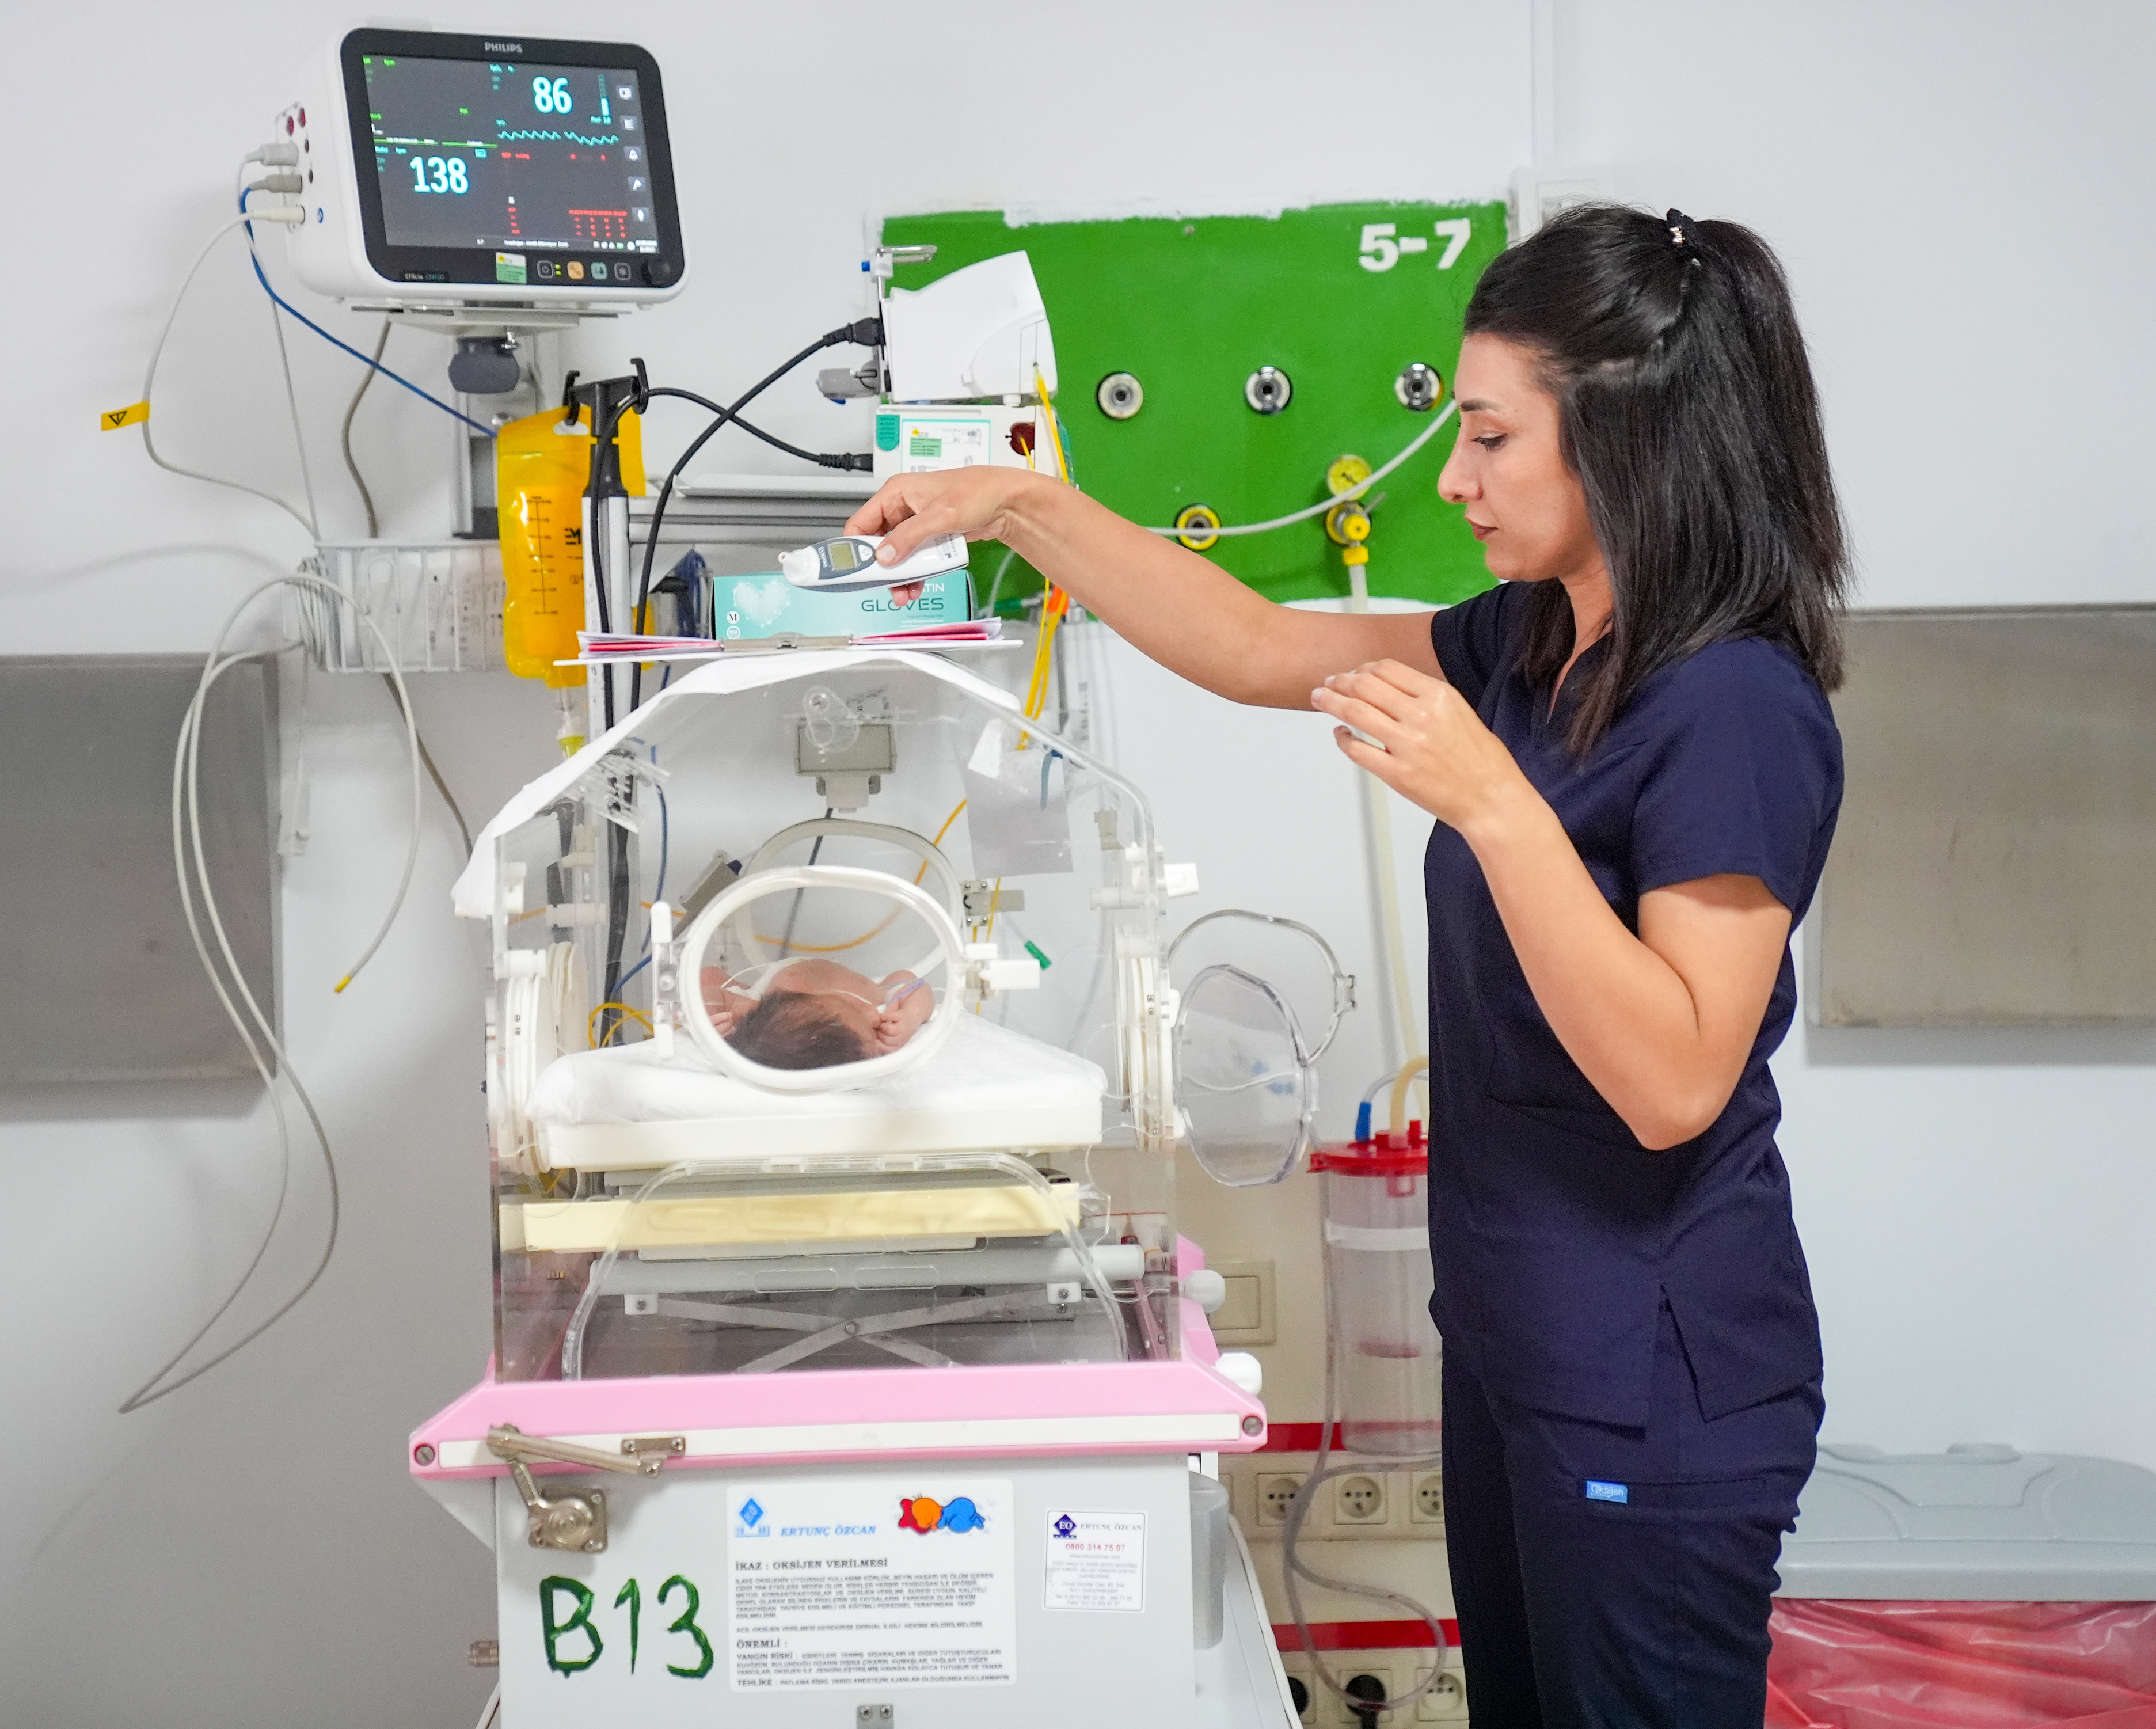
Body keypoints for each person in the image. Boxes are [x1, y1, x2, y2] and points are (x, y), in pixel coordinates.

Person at [845, 205, 1847, 1728]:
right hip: (1520, 1346)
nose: (1452, 476)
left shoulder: (1734, 706)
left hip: (1651, 1386)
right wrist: (1015, 502)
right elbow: (1259, 645)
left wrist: (1493, 804)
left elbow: (1673, 1080)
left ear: (1629, 445)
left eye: (1491, 437)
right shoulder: (1539, 643)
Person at [701, 959, 934, 1069]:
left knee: (708, 977)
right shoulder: (873, 1000)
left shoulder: (766, 1010)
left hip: (778, 989)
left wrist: (712, 1026)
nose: (875, 1017)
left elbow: (710, 992)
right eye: (874, 1032)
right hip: (800, 986)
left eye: (859, 1008)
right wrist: (911, 1017)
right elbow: (909, 982)